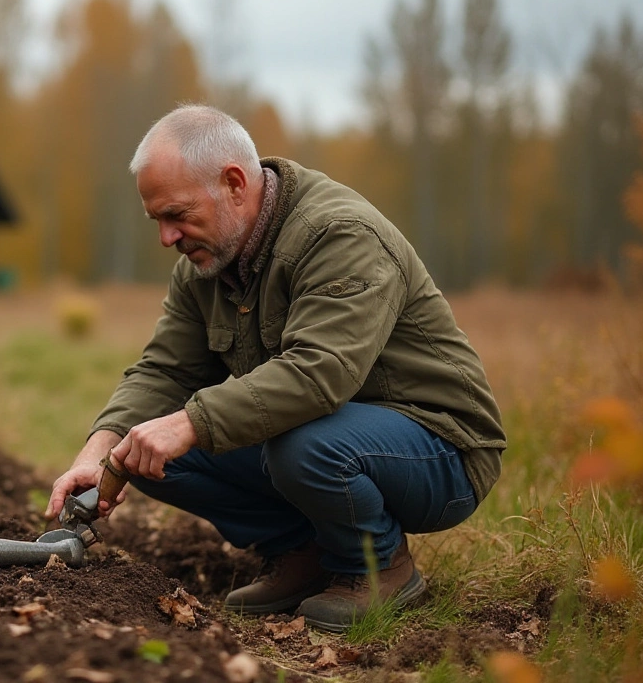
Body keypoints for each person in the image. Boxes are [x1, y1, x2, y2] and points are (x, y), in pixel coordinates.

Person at [44, 104, 505, 632]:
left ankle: (376, 567)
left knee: (295, 444)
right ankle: (305, 552)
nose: (166, 238)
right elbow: (164, 372)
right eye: (157, 221)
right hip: (324, 435)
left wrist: (188, 423)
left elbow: (318, 374)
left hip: (438, 449)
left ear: (234, 183)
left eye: (177, 215)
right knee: (144, 450)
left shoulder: (340, 234)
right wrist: (100, 452)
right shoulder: (205, 263)